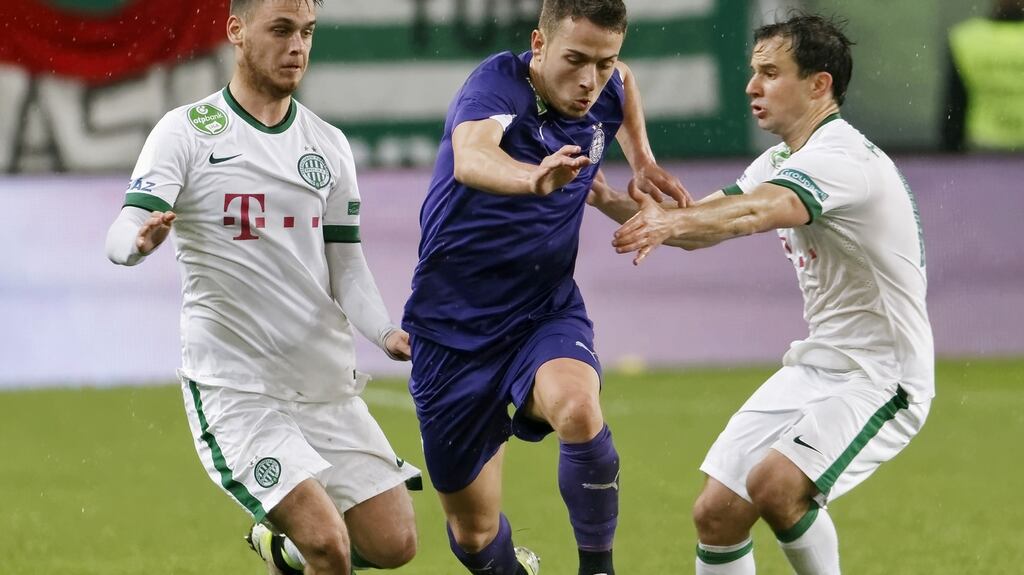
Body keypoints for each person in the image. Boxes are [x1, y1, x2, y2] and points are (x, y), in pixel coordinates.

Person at [592, 14, 934, 575]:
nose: (752, 86)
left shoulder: (841, 158)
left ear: (819, 85)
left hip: (881, 375)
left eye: (771, 73)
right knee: (718, 512)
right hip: (819, 364)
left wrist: (668, 226)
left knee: (777, 487)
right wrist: (602, 195)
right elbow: (700, 224)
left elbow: (757, 211)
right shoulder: (782, 159)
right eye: (754, 72)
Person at [104, 1, 421, 573]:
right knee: (330, 545)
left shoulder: (327, 145)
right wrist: (137, 244)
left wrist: (386, 332)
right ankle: (302, 545)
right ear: (236, 31)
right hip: (237, 389)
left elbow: (346, 262)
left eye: (306, 32)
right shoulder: (186, 132)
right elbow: (124, 226)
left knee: (394, 544)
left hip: (323, 385)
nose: (297, 46)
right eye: (281, 30)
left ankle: (279, 548)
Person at [400, 1, 689, 574]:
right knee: (476, 534)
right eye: (575, 60)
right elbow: (471, 156)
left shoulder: (607, 83)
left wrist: (642, 157)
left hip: (543, 308)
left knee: (579, 409)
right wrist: (532, 176)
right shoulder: (496, 85)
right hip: (452, 328)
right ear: (539, 44)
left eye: (602, 63)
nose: (589, 80)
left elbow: (625, 83)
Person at [942, 0, 1024, 151]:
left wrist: (949, 159)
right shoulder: (966, 39)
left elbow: (954, 108)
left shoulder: (968, 39)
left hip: (983, 152)